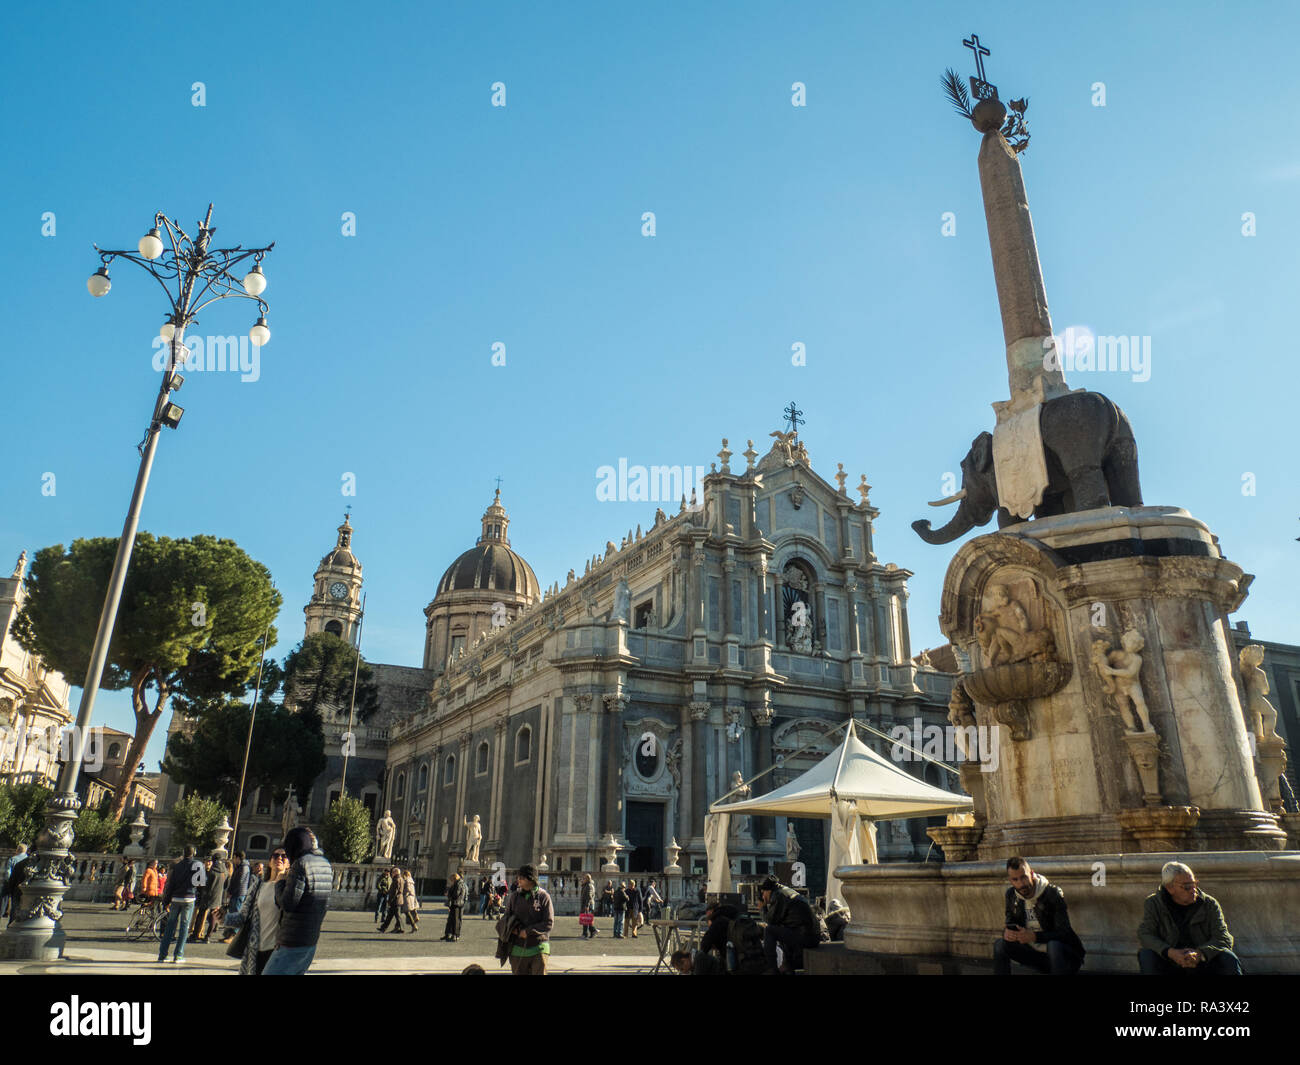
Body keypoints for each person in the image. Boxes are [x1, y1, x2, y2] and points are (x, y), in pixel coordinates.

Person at [1137, 861, 1242, 975]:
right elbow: (1145, 934)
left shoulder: (1209, 903)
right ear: (1170, 888)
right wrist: (1170, 952)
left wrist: (1200, 954)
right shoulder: (1154, 903)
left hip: (1203, 961)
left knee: (1228, 957)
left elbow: (1224, 937)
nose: (1193, 890)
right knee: (1147, 955)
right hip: (1170, 960)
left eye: (1194, 884)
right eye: (1187, 887)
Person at [993, 856, 1086, 975]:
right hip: (1036, 956)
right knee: (1000, 945)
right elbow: (1010, 922)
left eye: (1024, 877)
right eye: (1015, 879)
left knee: (1053, 945)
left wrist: (1035, 936)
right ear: (1010, 880)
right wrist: (1007, 933)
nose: (1021, 884)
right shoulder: (1011, 895)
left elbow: (1064, 933)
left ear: (1031, 874)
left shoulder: (1052, 893)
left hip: (1064, 958)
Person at [262, 827, 332, 975]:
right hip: (311, 938)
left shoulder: (300, 864)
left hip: (292, 939)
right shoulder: (325, 863)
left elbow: (287, 903)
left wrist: (280, 884)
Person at [239, 846, 290, 975]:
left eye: (284, 856)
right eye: (275, 855)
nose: (279, 858)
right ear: (270, 861)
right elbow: (243, 915)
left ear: (289, 863)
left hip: (279, 950)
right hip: (256, 949)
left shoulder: (290, 889)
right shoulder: (259, 886)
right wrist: (223, 918)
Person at [498, 864, 554, 975]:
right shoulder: (514, 897)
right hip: (517, 949)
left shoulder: (543, 897)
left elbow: (548, 922)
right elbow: (506, 918)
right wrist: (510, 928)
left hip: (539, 948)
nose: (518, 880)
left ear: (531, 879)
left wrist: (528, 931)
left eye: (521, 878)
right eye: (518, 877)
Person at [759, 874, 821, 974]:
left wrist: (762, 907)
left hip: (805, 936)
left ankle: (771, 968)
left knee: (769, 930)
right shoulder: (786, 891)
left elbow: (770, 920)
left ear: (768, 890)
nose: (763, 897)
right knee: (781, 929)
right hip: (812, 935)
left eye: (763, 893)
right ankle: (787, 965)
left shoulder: (779, 895)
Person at [157, 845, 207, 964]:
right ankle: (178, 955)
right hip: (189, 898)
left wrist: (166, 901)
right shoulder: (198, 864)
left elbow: (171, 884)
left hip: (175, 898)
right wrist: (199, 896)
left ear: (183, 853)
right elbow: (201, 883)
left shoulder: (177, 866)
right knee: (184, 927)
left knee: (170, 926)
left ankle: (162, 955)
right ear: (194, 852)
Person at [699, 899, 766, 975]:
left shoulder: (718, 921)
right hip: (757, 961)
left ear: (710, 912)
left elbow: (704, 946)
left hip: (738, 965)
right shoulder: (740, 917)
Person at [220, 851, 252, 944]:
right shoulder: (240, 867)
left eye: (234, 858)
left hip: (238, 894)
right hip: (236, 894)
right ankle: (228, 934)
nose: (233, 860)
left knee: (236, 914)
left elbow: (239, 882)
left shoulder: (244, 867)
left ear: (238, 858)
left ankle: (234, 936)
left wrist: (231, 892)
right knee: (232, 913)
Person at [197, 858, 228, 942]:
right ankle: (208, 936)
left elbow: (206, 884)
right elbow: (226, 885)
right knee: (213, 917)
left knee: (201, 914)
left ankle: (196, 934)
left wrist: (203, 891)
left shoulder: (212, 871)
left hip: (208, 896)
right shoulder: (225, 872)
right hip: (218, 896)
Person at [5, 847, 34, 925]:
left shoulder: (19, 863)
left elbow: (11, 878)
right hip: (32, 895)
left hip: (18, 892)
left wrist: (11, 891)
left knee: (15, 915)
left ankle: (11, 927)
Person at [189, 857, 214, 939]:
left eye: (210, 862)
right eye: (207, 861)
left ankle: (200, 931)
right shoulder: (200, 871)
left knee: (203, 916)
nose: (209, 863)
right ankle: (192, 929)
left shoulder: (212, 872)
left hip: (206, 896)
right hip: (199, 894)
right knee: (195, 913)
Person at [1, 844, 28, 918]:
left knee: (4, 896)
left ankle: (2, 912)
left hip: (13, 882)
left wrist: (8, 882)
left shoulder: (13, 859)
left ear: (18, 850)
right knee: (19, 902)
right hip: (24, 883)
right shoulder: (29, 859)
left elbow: (8, 873)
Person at [379, 867, 406, 933]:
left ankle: (401, 928)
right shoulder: (401, 879)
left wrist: (389, 900)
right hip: (399, 899)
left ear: (395, 873)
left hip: (395, 900)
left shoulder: (396, 880)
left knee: (397, 916)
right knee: (390, 915)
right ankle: (383, 928)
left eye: (393, 872)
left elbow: (394, 891)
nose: (392, 874)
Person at [443, 872, 465, 941]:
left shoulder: (458, 884)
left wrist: (449, 894)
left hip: (457, 904)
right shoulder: (457, 884)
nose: (451, 881)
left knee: (455, 920)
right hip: (455, 903)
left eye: (451, 880)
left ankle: (455, 934)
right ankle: (449, 934)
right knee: (451, 920)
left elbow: (456, 894)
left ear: (454, 878)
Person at [579, 873, 598, 939]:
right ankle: (592, 931)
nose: (582, 879)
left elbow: (589, 896)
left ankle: (585, 933)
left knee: (586, 919)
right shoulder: (585, 885)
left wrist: (587, 905)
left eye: (584, 878)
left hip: (588, 905)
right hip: (586, 904)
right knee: (587, 919)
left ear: (587, 879)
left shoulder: (589, 886)